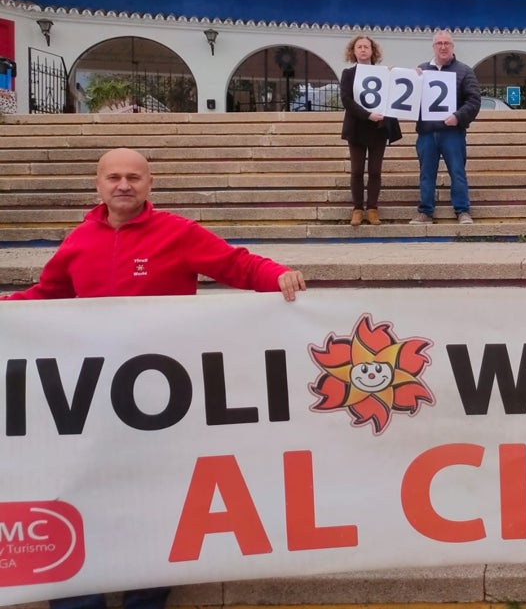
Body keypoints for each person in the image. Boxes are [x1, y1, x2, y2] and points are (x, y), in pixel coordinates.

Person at [2, 147, 306, 609]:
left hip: (161, 400)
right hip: (90, 397)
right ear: (97, 184)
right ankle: (76, 597)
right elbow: (49, 295)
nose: (124, 185)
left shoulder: (178, 234)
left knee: (157, 500)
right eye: (114, 177)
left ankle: (145, 598)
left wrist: (278, 275)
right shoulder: (79, 240)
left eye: (134, 177)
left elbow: (236, 264)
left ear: (150, 184)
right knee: (84, 493)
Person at [410, 30, 481, 225]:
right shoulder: (421, 71)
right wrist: (405, 77)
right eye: (439, 43)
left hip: (452, 132)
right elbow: (407, 96)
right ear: (433, 47)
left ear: (453, 47)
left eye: (447, 43)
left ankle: (462, 210)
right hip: (426, 132)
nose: (443, 47)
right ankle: (425, 212)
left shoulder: (464, 71)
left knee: (457, 171)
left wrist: (458, 117)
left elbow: (474, 101)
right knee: (426, 173)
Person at [339, 34, 398, 226]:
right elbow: (347, 100)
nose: (363, 50)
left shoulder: (383, 73)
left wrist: (396, 76)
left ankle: (372, 209)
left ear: (373, 51)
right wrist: (367, 115)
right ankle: (357, 208)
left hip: (377, 129)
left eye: (366, 47)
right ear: (353, 51)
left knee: (375, 170)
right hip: (357, 127)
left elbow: (393, 95)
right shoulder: (348, 74)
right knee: (356, 171)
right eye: (359, 47)